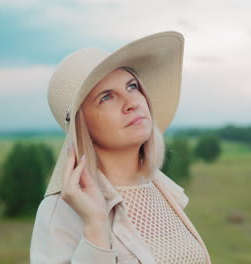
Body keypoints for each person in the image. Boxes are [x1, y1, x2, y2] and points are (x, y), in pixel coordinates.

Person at [30, 31, 212, 264]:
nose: (132, 103)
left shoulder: (159, 188)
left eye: (132, 86)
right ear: (81, 125)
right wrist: (95, 227)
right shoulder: (60, 212)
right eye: (106, 97)